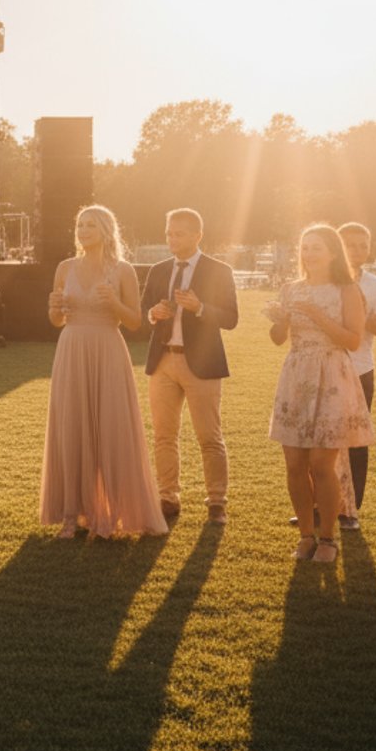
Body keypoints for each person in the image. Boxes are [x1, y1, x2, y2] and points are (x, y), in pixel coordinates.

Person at [41, 205, 167, 539]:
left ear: (106, 231)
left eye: (91, 225)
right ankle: (71, 515)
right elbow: (57, 320)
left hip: (108, 350)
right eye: (80, 224)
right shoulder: (64, 268)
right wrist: (54, 310)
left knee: (110, 428)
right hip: (72, 349)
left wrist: (113, 302)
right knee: (72, 426)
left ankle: (107, 516)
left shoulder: (122, 270)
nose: (83, 230)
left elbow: (136, 322)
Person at [265, 225, 373, 564]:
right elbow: (278, 339)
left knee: (322, 463)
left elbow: (353, 340)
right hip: (296, 375)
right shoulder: (290, 288)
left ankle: (328, 537)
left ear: (332, 253)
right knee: (295, 464)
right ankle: (306, 536)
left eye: (316, 248)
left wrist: (316, 315)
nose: (309, 254)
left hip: (332, 375)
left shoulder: (347, 289)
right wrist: (280, 320)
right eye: (305, 247)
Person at [142, 207, 239, 526]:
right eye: (169, 232)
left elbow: (231, 319)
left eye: (179, 233)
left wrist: (199, 308)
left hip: (203, 363)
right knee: (164, 435)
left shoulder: (218, 270)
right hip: (163, 361)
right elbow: (145, 313)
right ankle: (168, 497)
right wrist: (155, 313)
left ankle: (216, 501)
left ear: (198, 236)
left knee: (209, 436)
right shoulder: (157, 270)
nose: (171, 238)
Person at [340, 222, 376, 530]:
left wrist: (361, 311)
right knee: (318, 439)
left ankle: (350, 509)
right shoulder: (322, 280)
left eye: (362, 245)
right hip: (323, 368)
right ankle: (319, 504)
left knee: (355, 441)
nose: (357, 251)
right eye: (350, 244)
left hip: (360, 369)